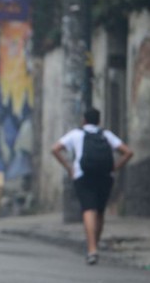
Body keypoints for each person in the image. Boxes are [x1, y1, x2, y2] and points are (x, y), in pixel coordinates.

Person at [51, 107, 133, 265]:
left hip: (83, 176)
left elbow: (55, 149)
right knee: (100, 212)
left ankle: (92, 249)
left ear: (84, 120)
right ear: (99, 121)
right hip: (105, 176)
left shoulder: (76, 134)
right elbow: (128, 152)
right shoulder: (106, 135)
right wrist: (115, 167)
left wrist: (69, 167)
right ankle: (95, 244)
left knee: (89, 209)